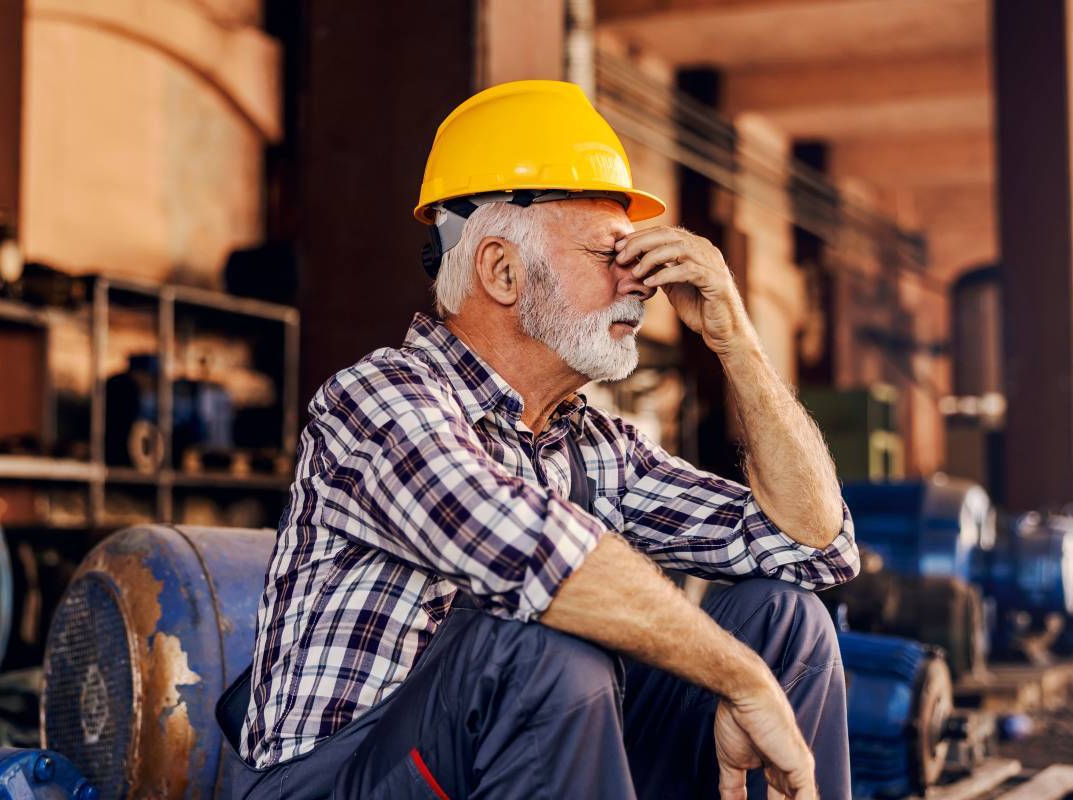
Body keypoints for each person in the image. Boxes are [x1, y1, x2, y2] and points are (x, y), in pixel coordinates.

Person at [225, 80, 860, 799]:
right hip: (332, 782)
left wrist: (735, 340)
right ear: (501, 270)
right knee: (537, 649)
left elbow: (815, 547)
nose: (642, 284)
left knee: (783, 620)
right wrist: (740, 682)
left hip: (504, 761)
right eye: (611, 254)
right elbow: (536, 562)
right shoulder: (377, 402)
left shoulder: (591, 447)